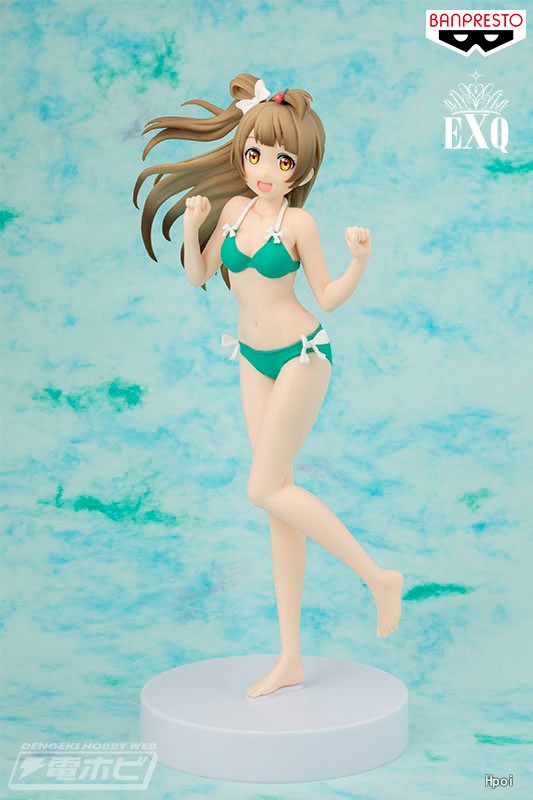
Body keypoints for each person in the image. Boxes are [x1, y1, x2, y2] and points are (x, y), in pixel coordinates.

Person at [134, 73, 403, 700]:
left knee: (263, 489)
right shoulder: (232, 212)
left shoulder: (299, 224)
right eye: (256, 154)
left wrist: (360, 261)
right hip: (251, 358)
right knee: (277, 502)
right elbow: (199, 273)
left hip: (302, 355)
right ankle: (290, 658)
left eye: (283, 162)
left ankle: (376, 575)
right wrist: (193, 226)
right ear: (242, 150)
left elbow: (327, 297)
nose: (265, 170)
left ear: (299, 170)